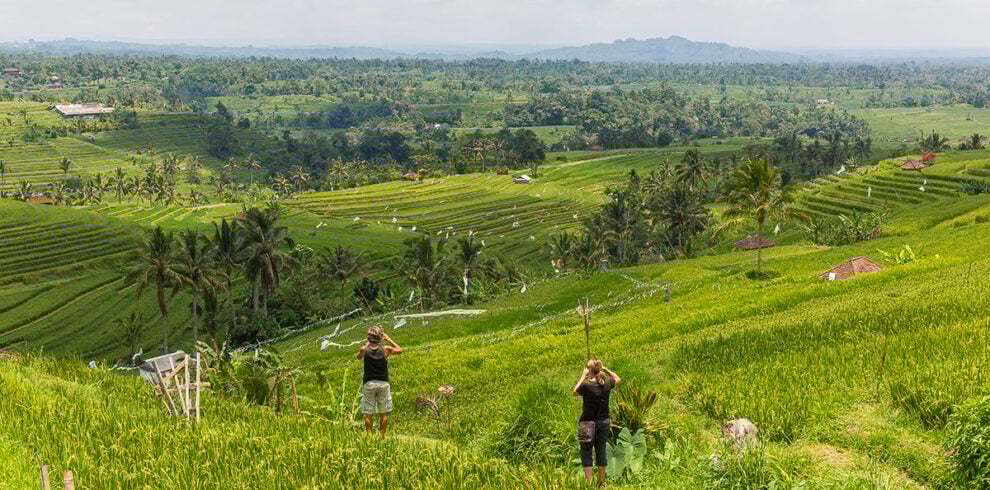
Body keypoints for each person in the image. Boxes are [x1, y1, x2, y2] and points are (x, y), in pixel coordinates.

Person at [573, 359, 621, 488]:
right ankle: (601, 482)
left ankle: (589, 484)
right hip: (604, 421)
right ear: (599, 369)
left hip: (587, 422)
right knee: (601, 450)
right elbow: (617, 378)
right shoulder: (607, 383)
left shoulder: (586, 386)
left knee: (586, 451)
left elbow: (575, 391)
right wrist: (605, 369)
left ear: (589, 371)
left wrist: (583, 376)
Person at [357, 326, 403, 440]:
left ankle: (369, 437)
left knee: (368, 412)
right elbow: (400, 350)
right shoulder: (386, 349)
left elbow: (358, 357)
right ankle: (382, 437)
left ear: (369, 337)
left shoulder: (364, 349)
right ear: (380, 337)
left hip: (369, 383)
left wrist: (367, 344)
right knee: (383, 412)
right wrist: (389, 339)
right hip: (383, 383)